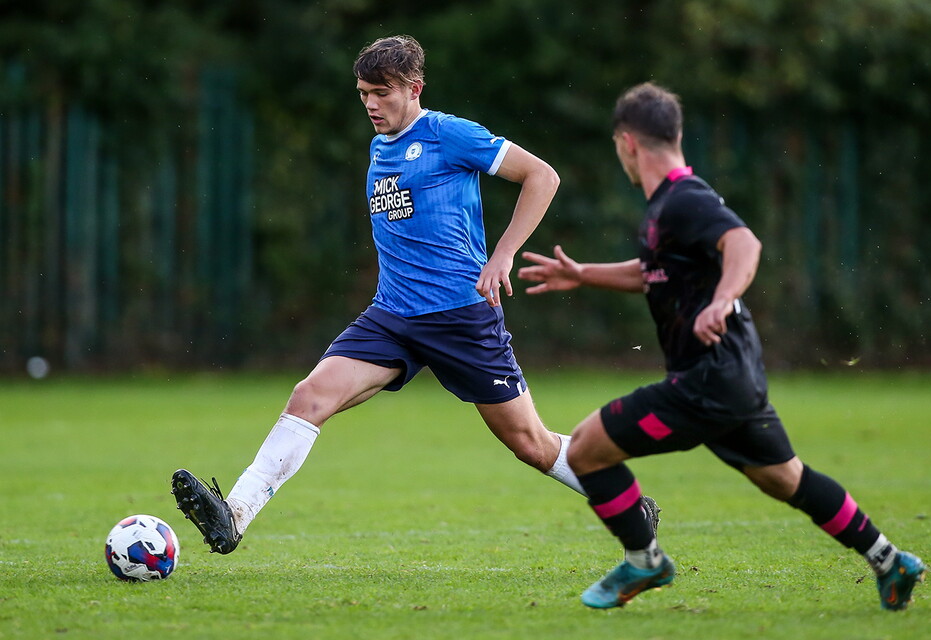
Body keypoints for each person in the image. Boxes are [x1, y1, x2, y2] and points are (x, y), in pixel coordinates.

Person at [170, 35, 661, 556]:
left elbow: (542, 176)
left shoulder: (449, 134)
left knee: (529, 444)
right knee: (308, 397)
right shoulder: (379, 146)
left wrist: (503, 254)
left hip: (461, 318)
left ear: (414, 88)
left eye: (381, 93)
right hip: (392, 317)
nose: (371, 105)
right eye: (363, 94)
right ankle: (236, 513)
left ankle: (626, 502)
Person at [517, 82, 925, 611]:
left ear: (627, 143)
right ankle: (891, 560)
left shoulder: (684, 199)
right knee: (787, 479)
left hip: (706, 379)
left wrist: (722, 299)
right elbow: (654, 272)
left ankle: (645, 561)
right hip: (735, 376)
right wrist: (584, 273)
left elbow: (744, 243)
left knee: (590, 448)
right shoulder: (668, 205)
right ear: (675, 134)